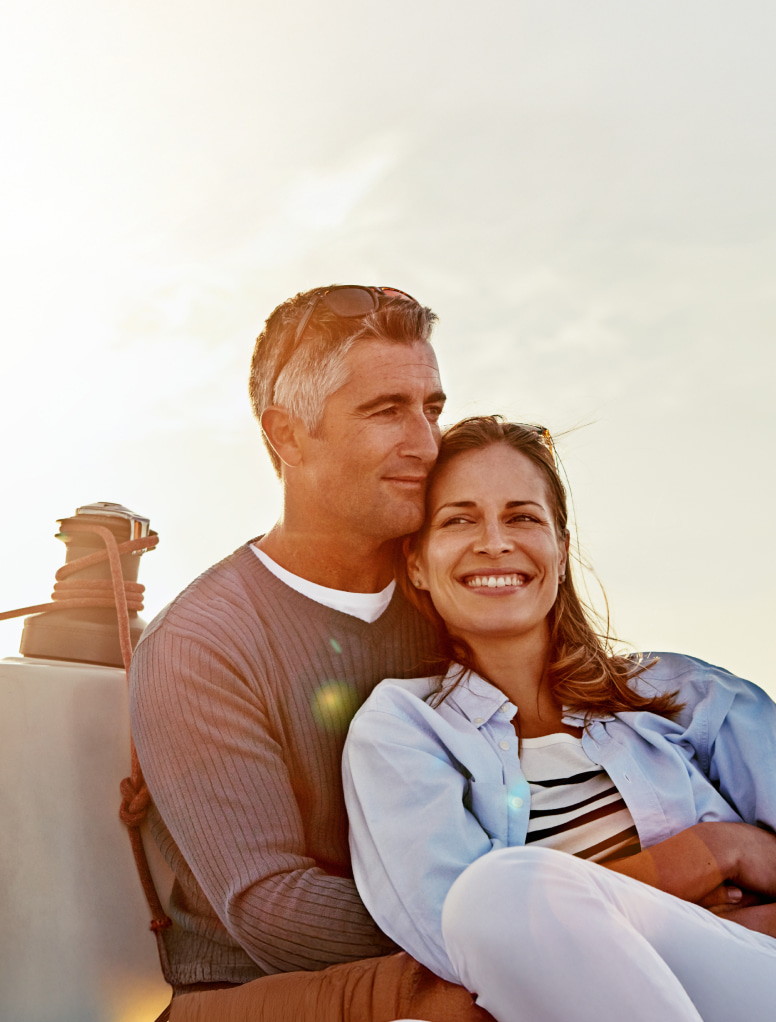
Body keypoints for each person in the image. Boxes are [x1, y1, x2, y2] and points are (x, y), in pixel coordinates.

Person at [129, 286, 495, 1021]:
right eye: (386, 409)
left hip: (464, 948)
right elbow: (273, 913)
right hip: (249, 994)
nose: (425, 443)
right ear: (288, 436)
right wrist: (529, 922)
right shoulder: (203, 642)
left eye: (431, 408)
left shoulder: (457, 597)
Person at [342, 415, 776, 1022]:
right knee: (490, 897)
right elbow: (467, 937)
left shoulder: (686, 693)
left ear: (562, 550)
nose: (494, 542)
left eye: (522, 517)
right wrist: (715, 848)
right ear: (416, 563)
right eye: (458, 520)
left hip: (752, 971)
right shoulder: (403, 729)